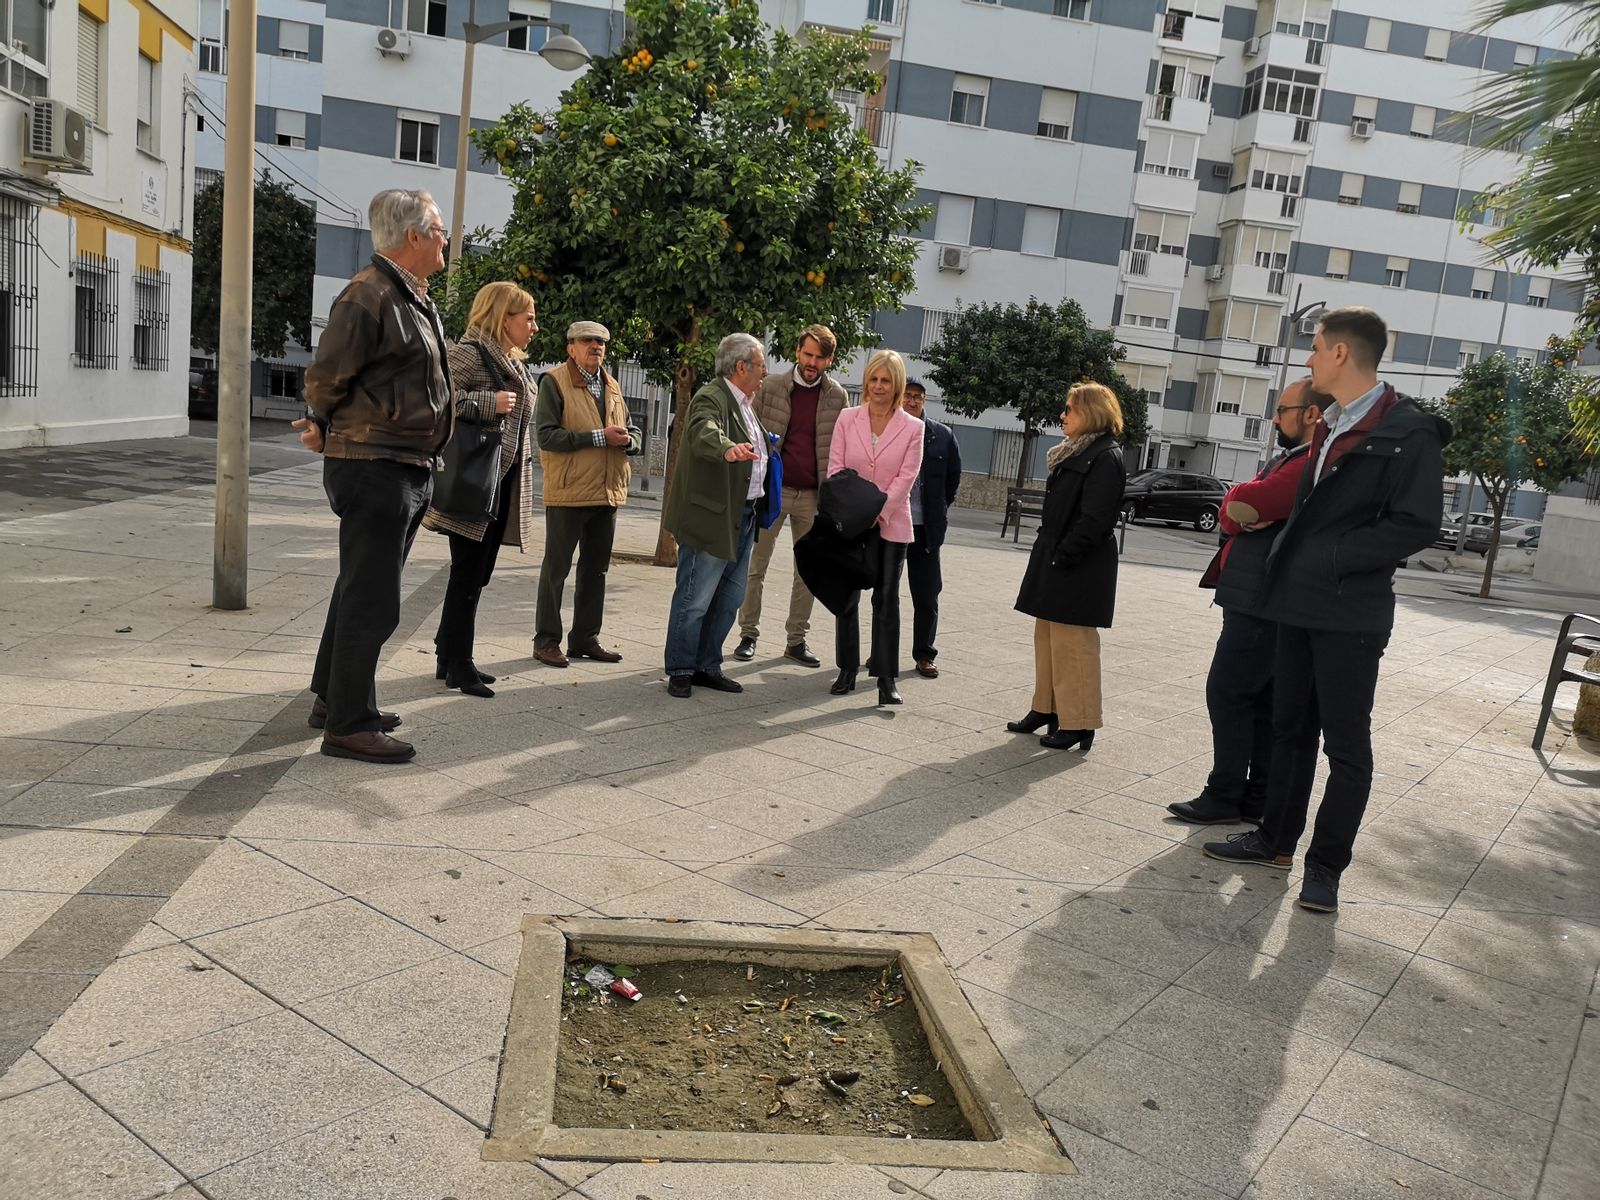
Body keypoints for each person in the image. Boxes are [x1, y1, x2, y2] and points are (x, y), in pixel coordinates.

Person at [1204, 307, 1450, 914]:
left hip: (1351, 613)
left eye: (1315, 347)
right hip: (1295, 603)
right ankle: (1274, 840)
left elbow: (1417, 523)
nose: (1309, 358)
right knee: (1289, 730)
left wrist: (1332, 557)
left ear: (1341, 354)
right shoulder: (1329, 425)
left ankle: (1326, 868)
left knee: (1346, 747)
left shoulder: (1409, 431)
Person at [292, 189, 453, 764]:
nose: (445, 241)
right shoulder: (370, 294)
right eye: (439, 230)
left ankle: (333, 700)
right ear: (413, 236)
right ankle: (349, 725)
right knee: (373, 599)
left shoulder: (407, 294)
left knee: (358, 590)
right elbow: (326, 376)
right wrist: (319, 421)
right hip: (374, 465)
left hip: (399, 464)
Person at [1168, 377, 1326, 825]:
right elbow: (1235, 507)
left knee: (1228, 692)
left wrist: (1241, 501)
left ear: (1311, 414)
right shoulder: (1290, 458)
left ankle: (1224, 795)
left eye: (1284, 409)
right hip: (1261, 595)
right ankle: (1255, 799)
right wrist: (1240, 505)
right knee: (1258, 700)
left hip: (1263, 599)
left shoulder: (1304, 463)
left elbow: (1249, 501)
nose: (1275, 418)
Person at [420, 282, 539, 699]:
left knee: (476, 574)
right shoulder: (469, 353)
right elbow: (439, 401)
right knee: (468, 575)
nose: (534, 327)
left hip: (499, 482)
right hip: (473, 481)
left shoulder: (511, 360)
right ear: (503, 316)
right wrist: (489, 404)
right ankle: (460, 665)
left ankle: (446, 654)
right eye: (528, 318)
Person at [1007, 382, 1126, 752]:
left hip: (1079, 564)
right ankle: (1047, 707)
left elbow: (1094, 520)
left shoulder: (1105, 455)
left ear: (1089, 413)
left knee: (1075, 645)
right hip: (1059, 557)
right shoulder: (1079, 450)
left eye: (1069, 410)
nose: (1063, 415)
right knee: (1048, 638)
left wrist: (1064, 555)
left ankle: (1080, 722)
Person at [661, 333, 770, 698]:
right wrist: (727, 448)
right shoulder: (712, 395)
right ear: (742, 367)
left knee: (729, 599)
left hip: (744, 516)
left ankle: (707, 665)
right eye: (761, 364)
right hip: (711, 517)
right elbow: (702, 429)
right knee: (695, 598)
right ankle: (680, 667)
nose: (766, 371)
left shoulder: (746, 402)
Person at [733, 324, 848, 668]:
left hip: (814, 496)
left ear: (829, 360)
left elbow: (838, 448)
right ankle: (748, 634)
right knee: (757, 565)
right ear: (798, 352)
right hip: (774, 490)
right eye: (808, 354)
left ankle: (796, 640)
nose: (812, 362)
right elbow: (748, 428)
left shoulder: (837, 397)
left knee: (808, 571)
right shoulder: (770, 386)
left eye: (820, 357)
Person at [532, 321, 641, 668]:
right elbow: (547, 436)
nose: (595, 346)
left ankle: (584, 639)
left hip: (607, 492)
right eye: (587, 341)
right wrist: (599, 437)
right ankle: (546, 641)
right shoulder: (553, 381)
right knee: (556, 570)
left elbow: (630, 425)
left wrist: (631, 440)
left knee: (596, 570)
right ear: (571, 347)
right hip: (569, 491)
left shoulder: (612, 384)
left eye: (600, 342)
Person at [826, 349, 924, 707]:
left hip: (891, 525)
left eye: (886, 380)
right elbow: (836, 468)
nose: (878, 386)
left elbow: (907, 477)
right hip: (849, 524)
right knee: (847, 598)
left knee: (886, 600)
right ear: (865, 382)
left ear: (897, 385)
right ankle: (847, 669)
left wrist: (876, 511)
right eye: (873, 379)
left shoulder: (914, 427)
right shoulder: (846, 418)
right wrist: (856, 512)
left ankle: (885, 678)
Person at [900, 378, 963, 679]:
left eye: (918, 397)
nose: (912, 401)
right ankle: (880, 652)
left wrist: (938, 509)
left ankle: (925, 654)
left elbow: (952, 481)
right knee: (884, 593)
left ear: (925, 401)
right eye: (908, 396)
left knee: (927, 595)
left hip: (926, 529)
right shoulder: (891, 429)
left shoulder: (943, 436)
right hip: (893, 526)